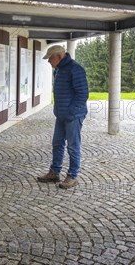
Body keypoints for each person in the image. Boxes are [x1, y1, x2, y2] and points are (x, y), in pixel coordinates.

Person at [37, 45, 89, 189]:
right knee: (57, 143)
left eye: (50, 59)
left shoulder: (75, 69)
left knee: (73, 146)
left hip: (73, 116)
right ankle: (54, 172)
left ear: (59, 57)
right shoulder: (59, 70)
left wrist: (71, 112)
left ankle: (72, 176)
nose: (48, 62)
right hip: (61, 115)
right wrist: (59, 110)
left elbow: (82, 94)